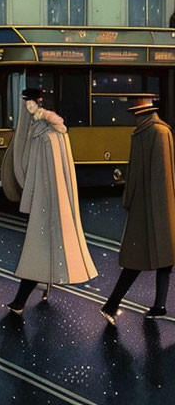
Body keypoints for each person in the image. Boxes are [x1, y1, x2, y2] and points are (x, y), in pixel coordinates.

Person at [6, 90, 98, 314]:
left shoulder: (42, 137)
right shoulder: (54, 133)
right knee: (45, 251)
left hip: (45, 205)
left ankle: (19, 303)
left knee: (35, 254)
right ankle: (39, 291)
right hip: (55, 204)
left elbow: (36, 174)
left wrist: (31, 202)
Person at [100, 96, 175, 324]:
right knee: (163, 258)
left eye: (135, 113)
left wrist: (130, 199)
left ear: (142, 114)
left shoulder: (152, 133)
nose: (134, 117)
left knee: (139, 260)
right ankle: (154, 305)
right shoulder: (158, 132)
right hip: (160, 208)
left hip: (150, 208)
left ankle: (114, 305)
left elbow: (155, 175)